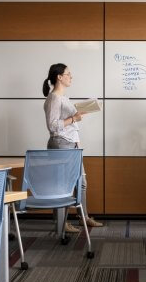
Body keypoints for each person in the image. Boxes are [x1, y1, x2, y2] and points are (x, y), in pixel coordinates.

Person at [42, 63, 103, 232]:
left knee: (81, 183)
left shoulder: (63, 98)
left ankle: (83, 217)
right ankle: (61, 223)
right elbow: (53, 126)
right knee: (62, 186)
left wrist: (77, 136)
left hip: (71, 144)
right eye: (68, 74)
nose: (71, 77)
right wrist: (75, 118)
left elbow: (68, 124)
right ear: (59, 77)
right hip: (61, 144)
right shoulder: (54, 97)